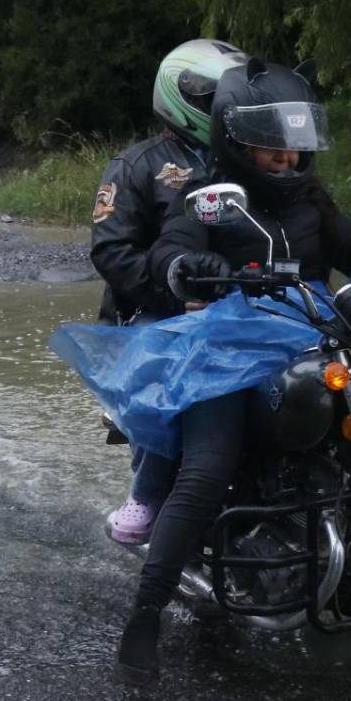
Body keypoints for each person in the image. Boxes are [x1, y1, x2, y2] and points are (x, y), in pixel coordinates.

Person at [117, 57, 351, 683]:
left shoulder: (311, 200)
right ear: (235, 142)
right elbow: (171, 251)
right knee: (205, 470)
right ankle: (145, 614)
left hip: (309, 337)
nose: (286, 161)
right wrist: (185, 270)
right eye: (270, 152)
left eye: (293, 151)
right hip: (226, 351)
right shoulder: (205, 199)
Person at [91, 39, 249, 544]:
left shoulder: (246, 159)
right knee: (172, 376)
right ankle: (147, 496)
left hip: (231, 305)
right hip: (151, 313)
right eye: (214, 99)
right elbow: (112, 251)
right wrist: (175, 294)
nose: (225, 110)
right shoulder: (136, 165)